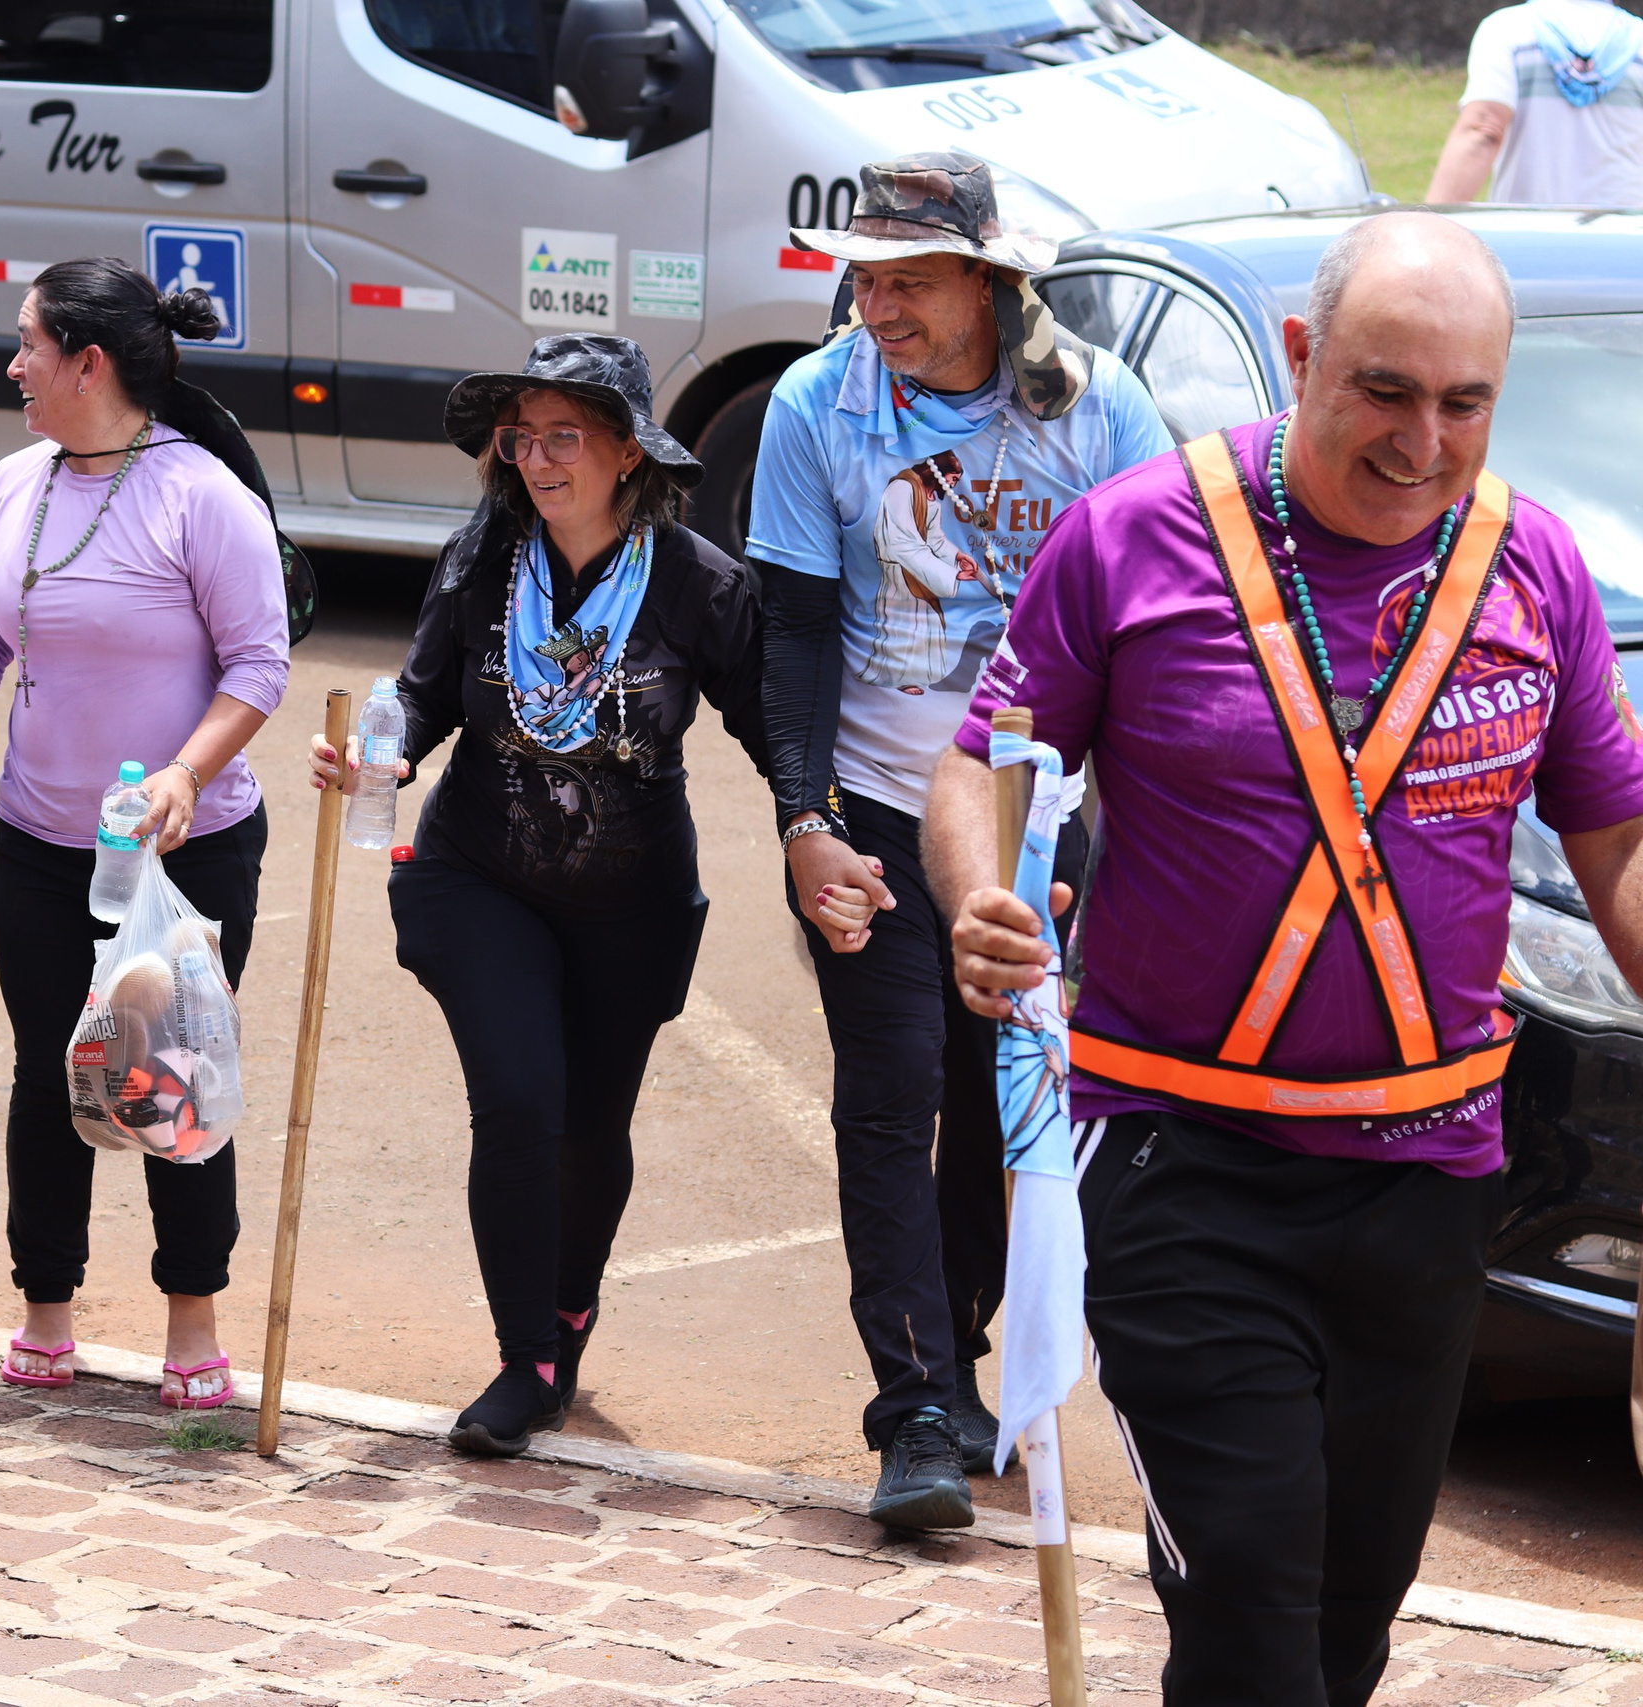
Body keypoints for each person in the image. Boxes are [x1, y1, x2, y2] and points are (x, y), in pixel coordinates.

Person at [930, 211, 1643, 1704]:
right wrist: (982, 892)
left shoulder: (1540, 572)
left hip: (1433, 1186)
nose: (1424, 440)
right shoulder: (1134, 533)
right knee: (1253, 1602)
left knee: (1342, 1627)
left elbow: (1618, 838)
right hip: (1185, 1175)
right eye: (1386, 390)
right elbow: (977, 762)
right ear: (1305, 359)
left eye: (1465, 403)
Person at [746, 151, 1170, 1529]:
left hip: (1035, 814)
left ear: (993, 282)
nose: (876, 306)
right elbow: (797, 632)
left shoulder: (1100, 412)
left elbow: (1163, 636)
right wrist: (803, 820)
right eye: (862, 279)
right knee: (891, 1086)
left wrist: (1116, 829)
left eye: (909, 281)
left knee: (1003, 1097)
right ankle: (916, 1409)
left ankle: (968, 1354)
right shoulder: (820, 405)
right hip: (872, 800)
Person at [308, 335, 771, 1456]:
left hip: (633, 898)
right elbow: (422, 695)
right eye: (523, 438)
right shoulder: (483, 558)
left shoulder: (701, 585)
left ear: (626, 453)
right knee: (519, 1099)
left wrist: (823, 832)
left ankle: (568, 1314)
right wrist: (388, 755)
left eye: (566, 436)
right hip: (482, 873)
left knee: (590, 1125)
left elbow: (777, 731)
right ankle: (525, 1360)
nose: (537, 459)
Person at [0, 256, 287, 1409]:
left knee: (168, 1077)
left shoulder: (202, 494)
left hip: (186, 847)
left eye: (29, 345)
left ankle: (192, 1320)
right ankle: (46, 1307)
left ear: (90, 362)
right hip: (40, 841)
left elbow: (260, 663)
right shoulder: (17, 483)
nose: (12, 365)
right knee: (45, 1077)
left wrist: (182, 772)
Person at [1427, 0, 1643, 206]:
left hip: (1528, 232)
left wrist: (1428, 227)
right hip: (1625, 233)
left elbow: (1483, 130)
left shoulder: (1507, 30)